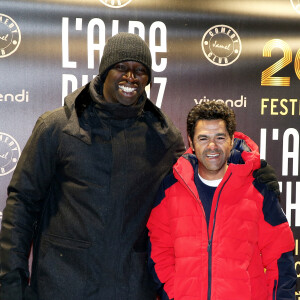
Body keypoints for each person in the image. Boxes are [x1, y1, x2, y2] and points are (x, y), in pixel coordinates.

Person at [0, 33, 280, 300]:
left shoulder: (161, 135)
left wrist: (247, 166)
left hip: (131, 287)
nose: (130, 77)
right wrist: (11, 280)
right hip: (61, 286)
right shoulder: (58, 127)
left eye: (140, 70)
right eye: (121, 67)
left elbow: (196, 173)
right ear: (104, 71)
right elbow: (22, 204)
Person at [147, 102, 296, 300]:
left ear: (231, 140)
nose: (212, 146)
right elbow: (158, 253)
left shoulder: (258, 188)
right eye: (203, 138)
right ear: (191, 141)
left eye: (220, 137)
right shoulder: (171, 188)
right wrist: (175, 296)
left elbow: (281, 258)